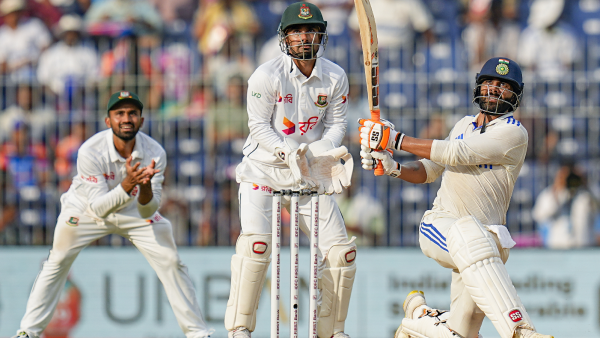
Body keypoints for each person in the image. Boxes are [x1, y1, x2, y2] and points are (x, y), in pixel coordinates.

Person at [359, 57, 553, 338]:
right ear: (479, 87)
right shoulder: (462, 125)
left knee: (461, 334)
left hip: (488, 243)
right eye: (489, 83)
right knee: (468, 234)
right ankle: (521, 331)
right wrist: (395, 168)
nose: (495, 89)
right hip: (441, 225)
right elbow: (428, 171)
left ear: (516, 95)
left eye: (504, 85)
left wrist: (395, 140)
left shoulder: (514, 133)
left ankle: (419, 319)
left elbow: (457, 154)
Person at [11, 91, 213, 338]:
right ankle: (27, 332)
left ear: (141, 120)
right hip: (85, 210)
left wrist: (146, 187)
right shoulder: (91, 150)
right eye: (119, 114)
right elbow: (98, 208)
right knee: (57, 260)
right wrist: (128, 185)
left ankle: (198, 333)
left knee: (171, 261)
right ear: (108, 121)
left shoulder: (155, 152)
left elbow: (149, 209)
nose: (126, 119)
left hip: (133, 212)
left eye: (132, 113)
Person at [226, 2, 355, 338]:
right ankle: (240, 329)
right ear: (284, 37)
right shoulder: (266, 75)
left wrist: (316, 154)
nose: (304, 37)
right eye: (296, 31)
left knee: (342, 254)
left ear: (321, 35)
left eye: (310, 30)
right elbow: (257, 126)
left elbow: (338, 124)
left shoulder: (336, 76)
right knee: (257, 247)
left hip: (310, 172)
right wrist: (288, 152)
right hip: (264, 170)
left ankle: (333, 331)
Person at [532, 163, 598, 249]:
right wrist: (557, 192)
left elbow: (597, 207)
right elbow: (538, 216)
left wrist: (586, 184)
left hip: (584, 246)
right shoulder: (550, 194)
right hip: (559, 247)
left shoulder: (585, 194)